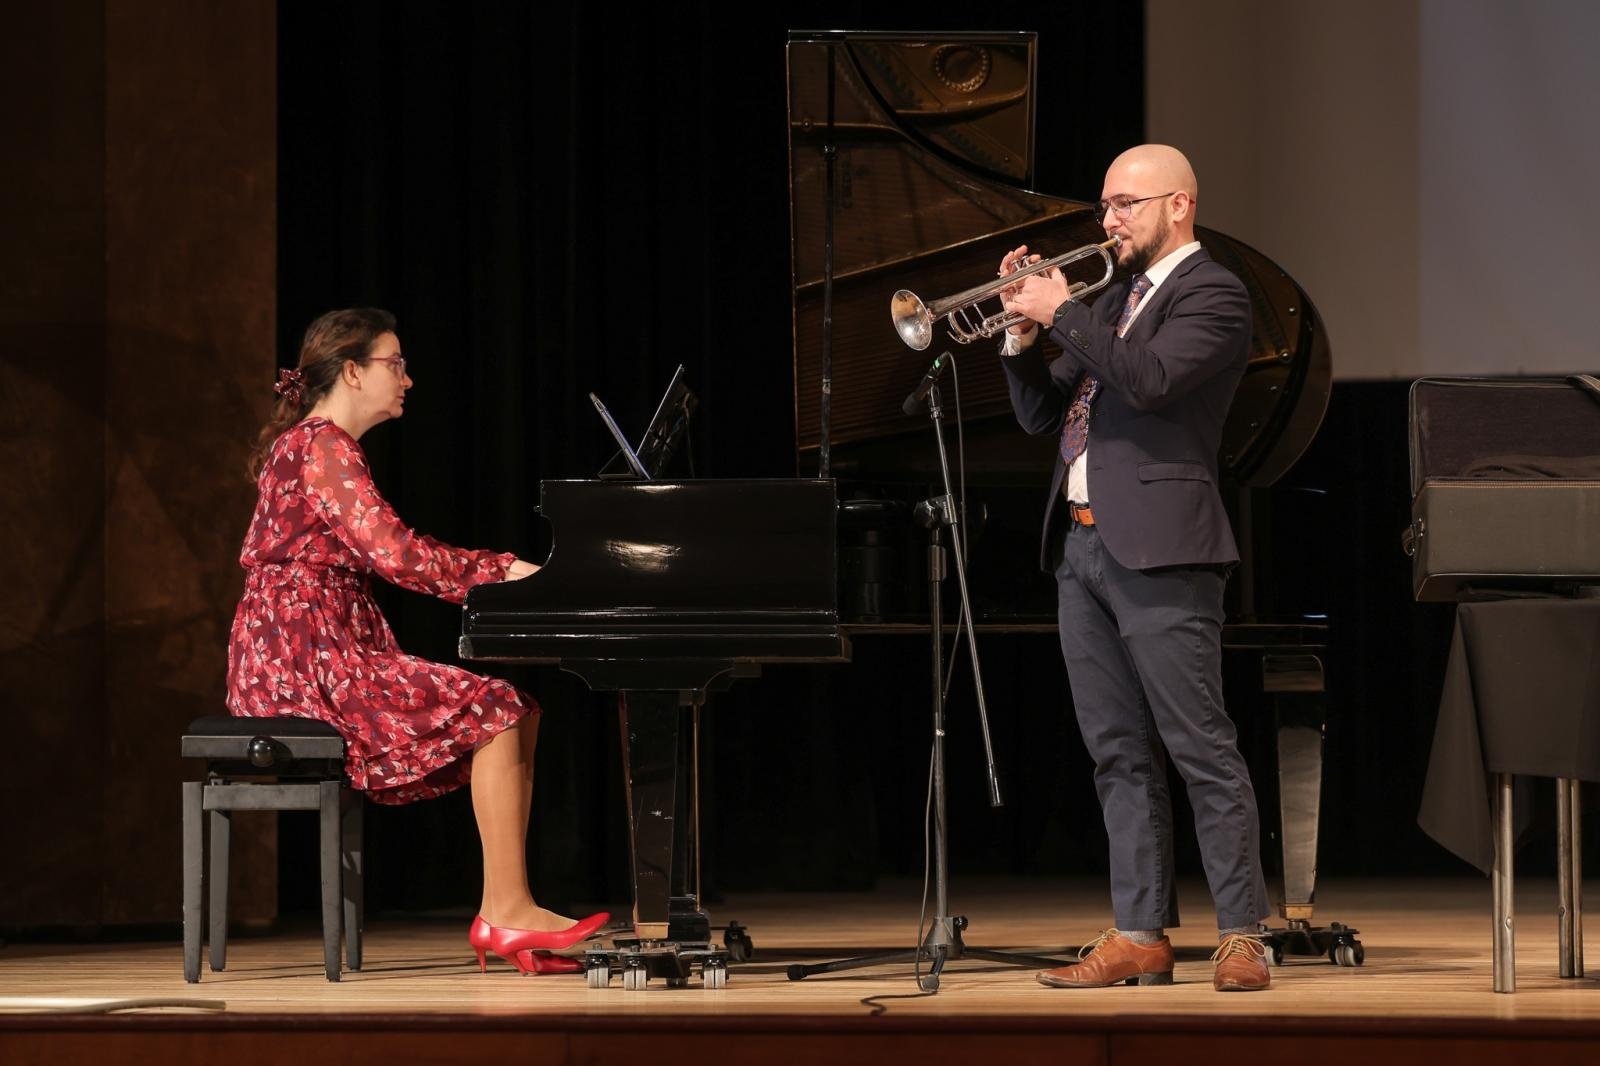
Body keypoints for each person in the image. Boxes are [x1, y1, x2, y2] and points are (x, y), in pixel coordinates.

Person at [226, 307, 606, 976]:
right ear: (351, 370)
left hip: (301, 650)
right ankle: (507, 910)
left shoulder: (316, 446)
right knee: (498, 707)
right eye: (394, 364)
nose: (407, 378)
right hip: (301, 661)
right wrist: (499, 571)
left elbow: (383, 554)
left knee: (509, 707)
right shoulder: (323, 446)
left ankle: (506, 908)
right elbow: (396, 555)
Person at [997, 145, 1271, 992]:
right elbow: (1047, 412)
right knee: (1117, 751)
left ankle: (1241, 936)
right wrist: (1020, 332)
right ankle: (1140, 933)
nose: (1109, 221)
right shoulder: (1112, 297)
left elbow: (1150, 381)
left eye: (1126, 204)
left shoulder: (1215, 293)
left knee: (1200, 745)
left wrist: (1066, 309)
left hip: (1163, 547)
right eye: (1105, 205)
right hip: (1080, 546)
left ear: (1179, 205)